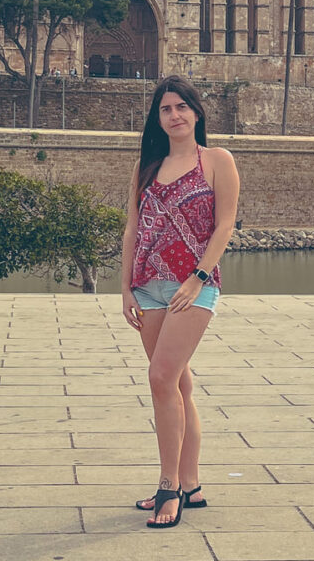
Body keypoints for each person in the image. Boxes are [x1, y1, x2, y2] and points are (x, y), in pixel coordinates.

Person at [121, 75, 239, 529]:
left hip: (194, 287)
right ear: (157, 118)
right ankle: (191, 482)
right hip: (148, 286)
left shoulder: (216, 160)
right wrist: (125, 287)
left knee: (160, 377)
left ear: (197, 112)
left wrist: (198, 277)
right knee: (178, 387)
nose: (174, 115)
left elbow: (224, 225)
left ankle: (168, 485)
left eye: (181, 107)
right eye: (165, 109)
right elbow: (133, 229)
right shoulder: (146, 167)